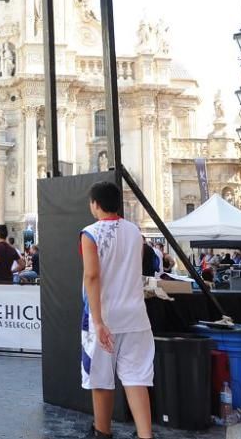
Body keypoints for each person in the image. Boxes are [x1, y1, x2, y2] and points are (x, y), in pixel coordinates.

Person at [80, 181, 154, 439]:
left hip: (105, 315)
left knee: (101, 378)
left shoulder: (90, 233)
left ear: (95, 204)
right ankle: (146, 435)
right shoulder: (135, 232)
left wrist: (98, 321)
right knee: (136, 378)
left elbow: (92, 276)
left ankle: (102, 431)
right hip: (135, 316)